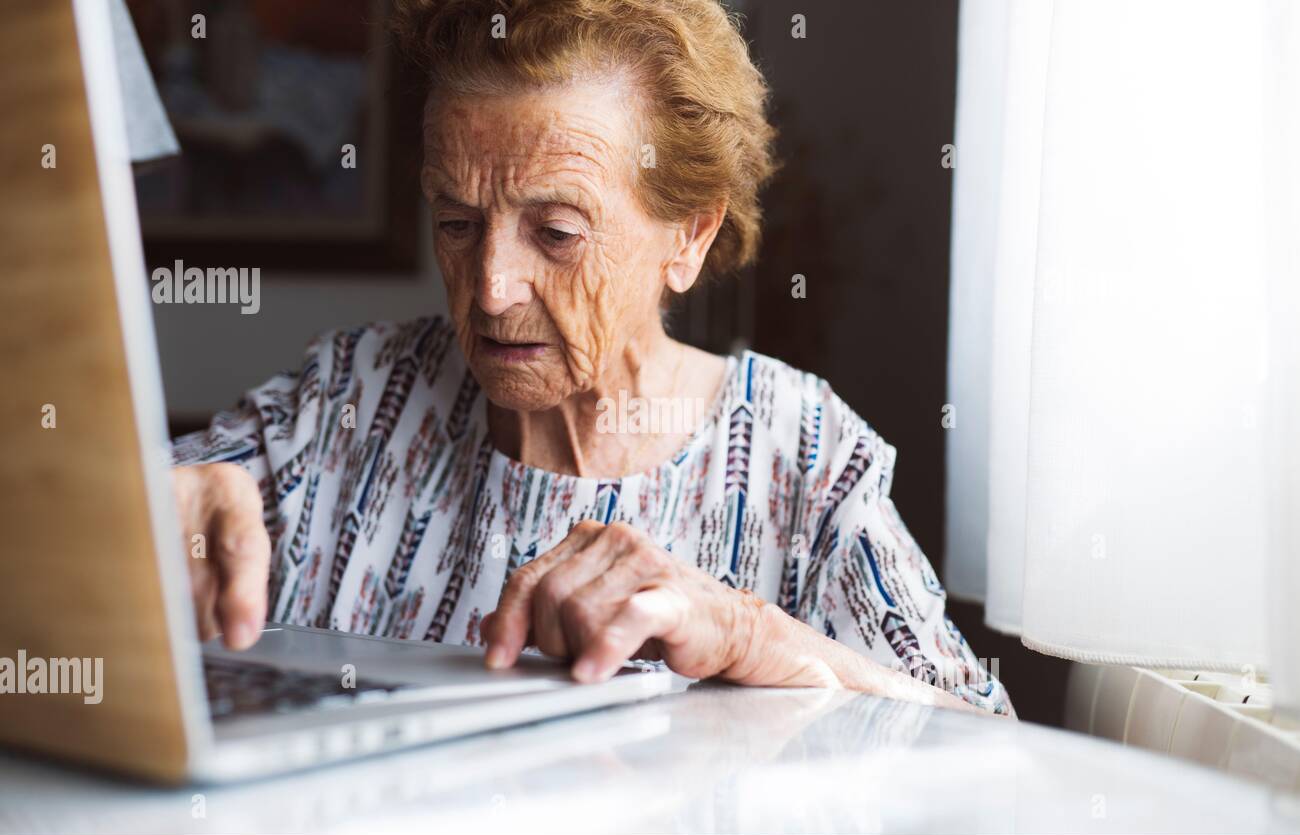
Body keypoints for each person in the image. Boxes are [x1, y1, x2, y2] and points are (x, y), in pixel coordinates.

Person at [170, 0, 1014, 716]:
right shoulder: (346, 400)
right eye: (458, 223)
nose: (492, 287)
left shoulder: (804, 462)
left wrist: (754, 635)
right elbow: (118, 528)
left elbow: (991, 757)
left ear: (690, 235)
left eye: (558, 233)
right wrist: (136, 498)